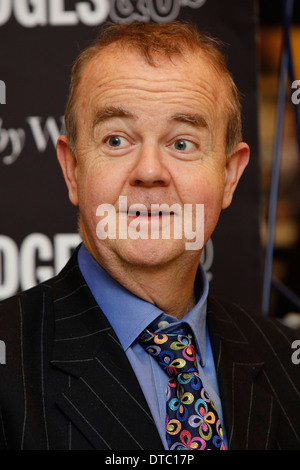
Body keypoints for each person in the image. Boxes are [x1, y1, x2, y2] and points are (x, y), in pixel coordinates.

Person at [0, 21, 299, 451]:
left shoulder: (289, 362)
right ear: (73, 169)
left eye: (182, 143)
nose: (150, 172)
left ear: (229, 176)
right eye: (117, 139)